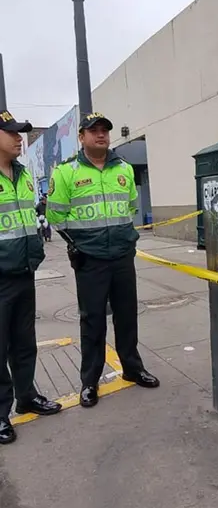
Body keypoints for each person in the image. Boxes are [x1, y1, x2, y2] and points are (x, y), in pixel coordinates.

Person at [46, 112, 159, 409]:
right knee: (92, 320)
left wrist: (123, 239)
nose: (101, 135)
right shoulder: (66, 172)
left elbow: (131, 207)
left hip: (122, 254)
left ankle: (133, 368)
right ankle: (90, 381)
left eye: (105, 131)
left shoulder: (124, 168)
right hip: (90, 258)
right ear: (81, 137)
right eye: (93, 130)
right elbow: (55, 216)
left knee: (127, 315)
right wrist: (81, 244)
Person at [0, 110, 63, 445]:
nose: (19, 139)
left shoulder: (23, 175)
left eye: (21, 133)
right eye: (11, 133)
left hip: (24, 272)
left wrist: (35, 255)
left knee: (24, 343)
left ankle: (26, 396)